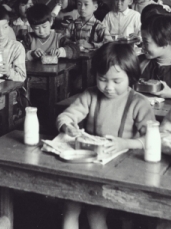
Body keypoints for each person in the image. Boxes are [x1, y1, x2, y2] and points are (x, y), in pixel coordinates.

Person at [56, 43, 155, 229]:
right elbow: (66, 116)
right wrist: (68, 127)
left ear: (131, 77)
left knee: (95, 211)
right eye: (102, 79)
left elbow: (152, 138)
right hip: (89, 164)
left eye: (117, 81)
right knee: (70, 204)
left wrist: (125, 143)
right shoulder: (91, 95)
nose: (108, 87)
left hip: (121, 170)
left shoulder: (138, 103)